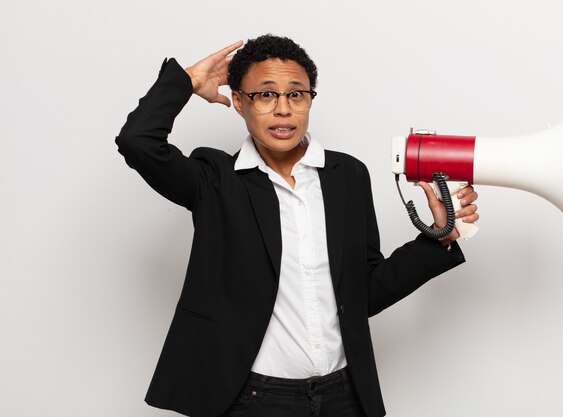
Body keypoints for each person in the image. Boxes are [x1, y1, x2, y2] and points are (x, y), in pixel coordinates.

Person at [116, 35, 479, 417]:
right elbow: (137, 141)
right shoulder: (216, 180)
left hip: (345, 395)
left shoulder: (347, 175)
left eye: (297, 95)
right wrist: (187, 80)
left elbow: (364, 293)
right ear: (239, 102)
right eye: (266, 95)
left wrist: (440, 237)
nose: (283, 110)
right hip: (252, 400)